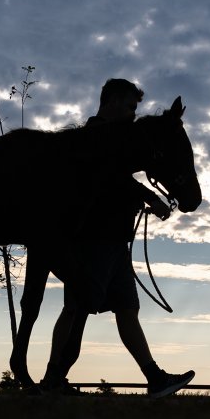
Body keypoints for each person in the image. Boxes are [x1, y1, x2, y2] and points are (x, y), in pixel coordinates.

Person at [41, 79, 195, 398]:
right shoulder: (94, 136)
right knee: (75, 307)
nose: (131, 114)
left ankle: (155, 378)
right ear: (111, 101)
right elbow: (110, 176)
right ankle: (52, 380)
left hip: (114, 240)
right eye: (129, 106)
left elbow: (118, 176)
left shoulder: (114, 139)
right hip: (94, 238)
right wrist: (149, 197)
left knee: (126, 309)